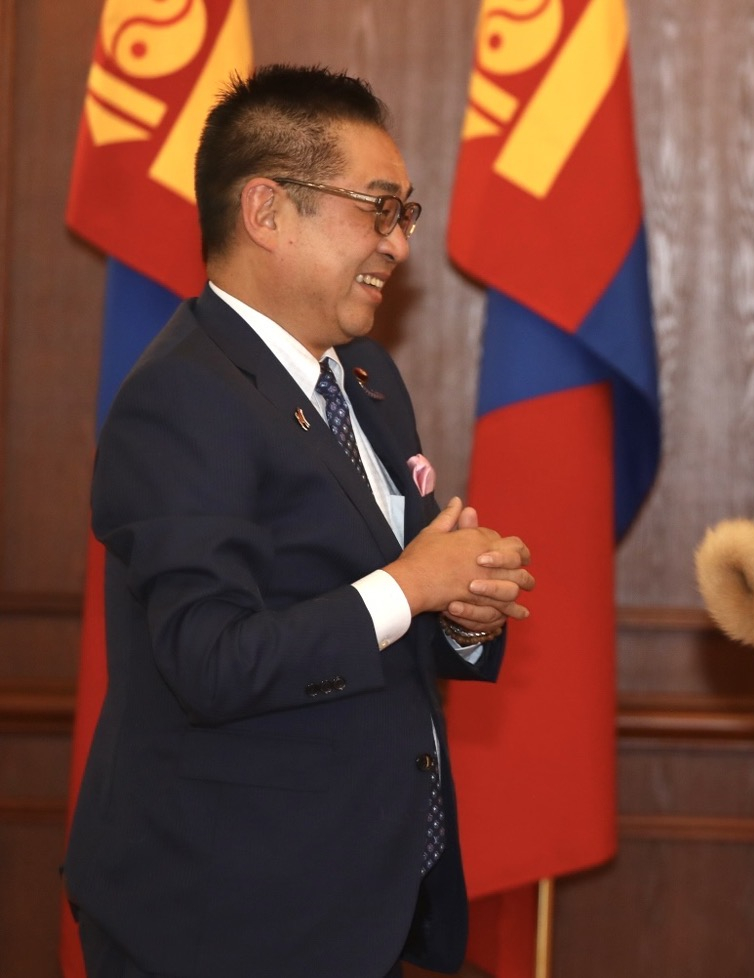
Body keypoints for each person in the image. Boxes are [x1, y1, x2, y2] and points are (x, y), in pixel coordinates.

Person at [63, 65, 534, 978]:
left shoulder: (365, 378)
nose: (399, 244)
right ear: (268, 211)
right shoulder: (182, 398)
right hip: (221, 915)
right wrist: (410, 585)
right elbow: (210, 660)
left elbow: (369, 611)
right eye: (379, 209)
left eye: (406, 214)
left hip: (355, 897)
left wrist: (461, 610)